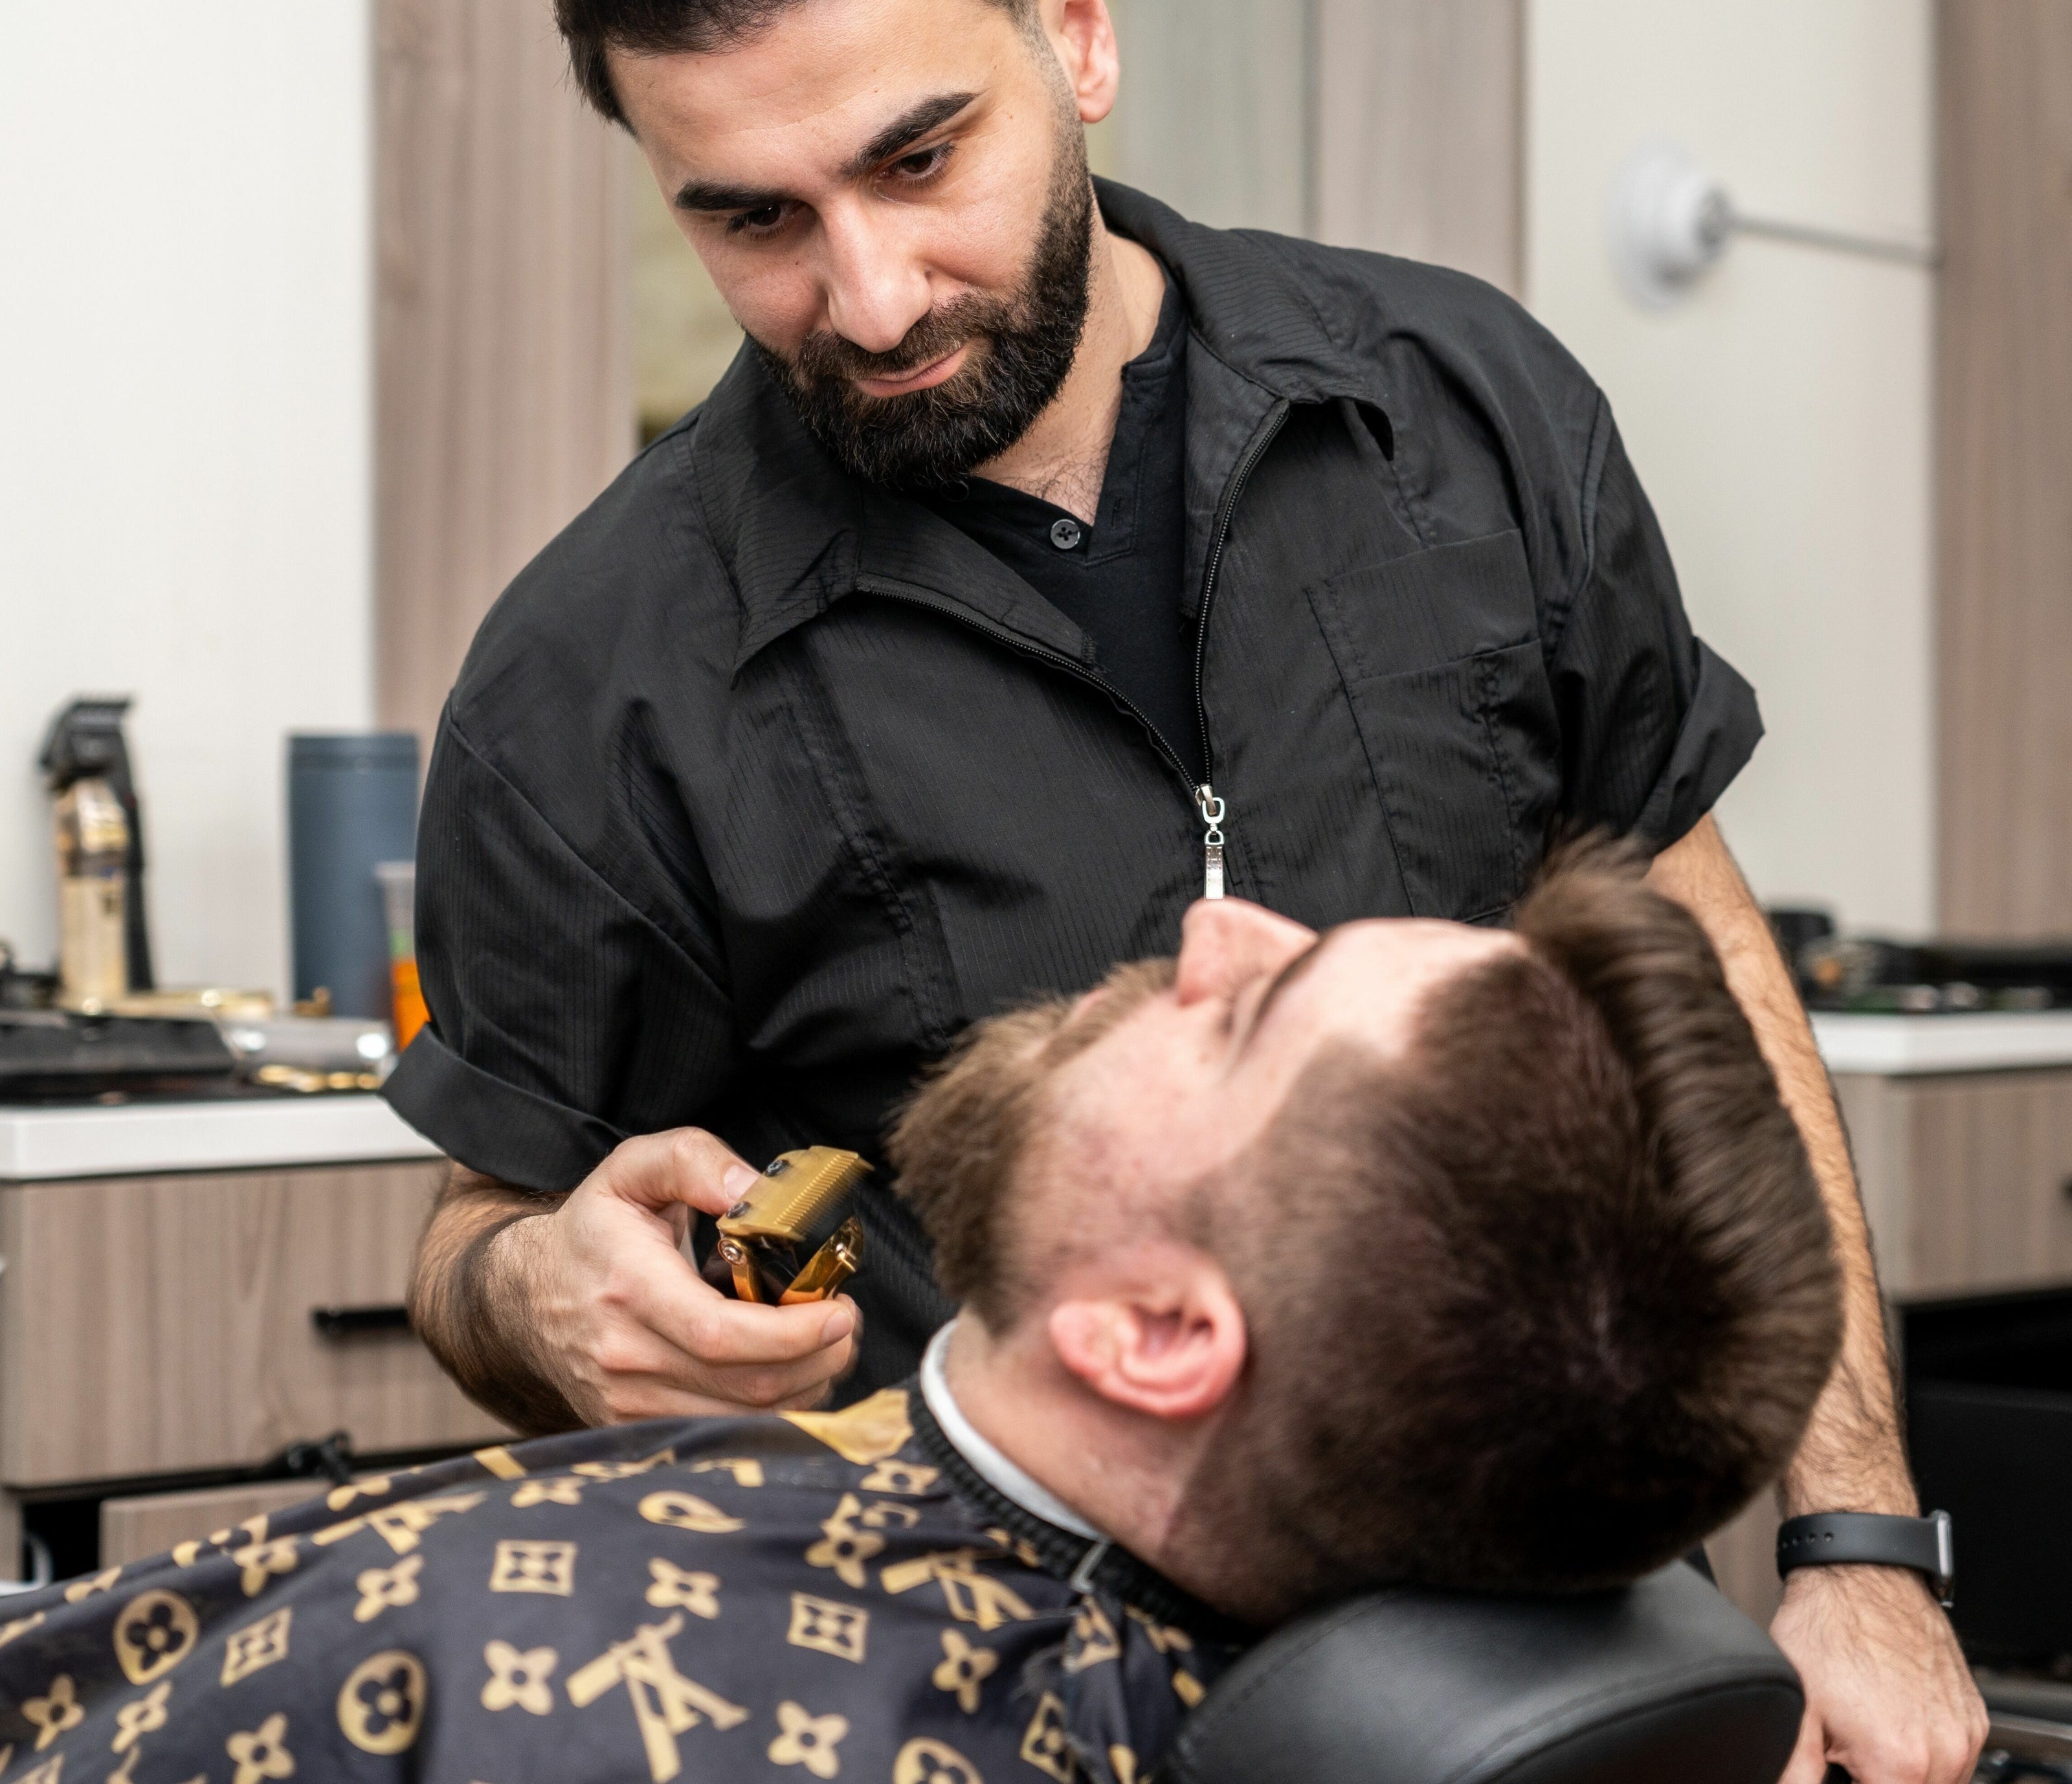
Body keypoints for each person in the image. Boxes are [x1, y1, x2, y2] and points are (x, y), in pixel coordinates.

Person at [390, 1, 1985, 1774]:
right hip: (998, 1705)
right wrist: (538, 1291)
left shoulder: (1459, 408)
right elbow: (483, 1231)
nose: (874, 294)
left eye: (919, 160)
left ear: (1076, 40)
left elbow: (1693, 980)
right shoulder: (586, 681)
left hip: (1556, 1673)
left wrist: (1860, 1542)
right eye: (751, 218)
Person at [0, 850, 1842, 1783]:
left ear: (1158, 1335)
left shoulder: (588, 1692)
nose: (1225, 915)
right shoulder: (1030, 1607)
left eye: (1259, 1020)